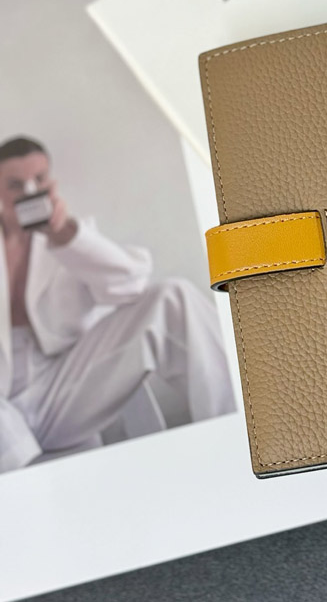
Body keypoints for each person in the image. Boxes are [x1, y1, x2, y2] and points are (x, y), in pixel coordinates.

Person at [0, 136, 234, 473]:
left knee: (173, 297)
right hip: (4, 404)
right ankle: (26, 478)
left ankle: (237, 436)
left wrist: (65, 235)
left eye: (38, 180)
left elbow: (131, 286)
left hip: (62, 388)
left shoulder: (72, 238)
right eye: (15, 184)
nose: (29, 191)